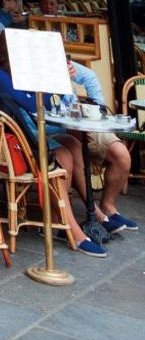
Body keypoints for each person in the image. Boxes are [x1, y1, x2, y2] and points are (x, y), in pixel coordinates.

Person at [0, 31, 105, 256]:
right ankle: (70, 229)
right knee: (64, 156)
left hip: (26, 135)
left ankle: (91, 211)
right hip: (7, 145)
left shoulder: (23, 72)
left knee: (73, 144)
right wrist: (56, 81)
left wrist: (57, 80)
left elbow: (44, 102)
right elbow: (30, 103)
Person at [65, 58, 137, 235]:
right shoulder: (36, 70)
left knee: (122, 156)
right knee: (74, 151)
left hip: (83, 123)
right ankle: (93, 214)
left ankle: (108, 207)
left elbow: (89, 76)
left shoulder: (64, 64)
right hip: (60, 128)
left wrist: (97, 108)